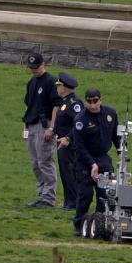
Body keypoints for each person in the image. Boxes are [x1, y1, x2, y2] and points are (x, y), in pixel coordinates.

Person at [70, 88, 119, 235]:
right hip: (85, 160)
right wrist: (92, 164)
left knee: (105, 194)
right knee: (85, 195)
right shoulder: (80, 120)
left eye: (95, 101)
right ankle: (79, 225)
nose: (92, 105)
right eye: (89, 102)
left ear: (101, 100)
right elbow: (79, 146)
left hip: (103, 158)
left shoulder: (111, 114)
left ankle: (101, 224)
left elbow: (117, 137)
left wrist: (120, 152)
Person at [22, 52, 60, 207]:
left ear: (43, 64)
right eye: (32, 68)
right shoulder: (31, 82)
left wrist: (51, 128)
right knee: (35, 163)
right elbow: (28, 106)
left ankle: (49, 197)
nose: (34, 70)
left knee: (45, 160)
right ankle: (41, 194)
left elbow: (56, 106)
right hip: (31, 124)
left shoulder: (51, 82)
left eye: (36, 67)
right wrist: (24, 127)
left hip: (44, 126)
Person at [53, 72, 82, 210]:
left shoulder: (74, 103)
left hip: (70, 144)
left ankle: (74, 202)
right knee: (65, 172)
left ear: (64, 87)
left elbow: (78, 125)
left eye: (58, 86)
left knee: (70, 173)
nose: (57, 88)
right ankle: (68, 201)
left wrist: (68, 138)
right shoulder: (65, 102)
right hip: (62, 142)